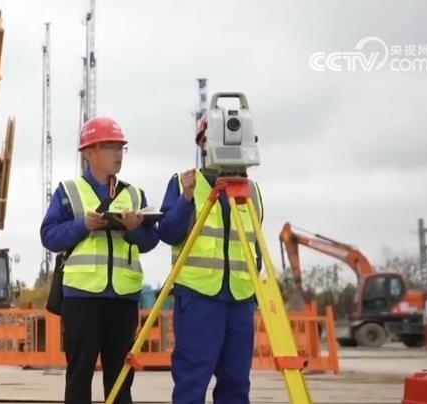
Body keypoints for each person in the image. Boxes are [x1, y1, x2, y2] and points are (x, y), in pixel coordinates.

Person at [40, 115, 160, 404]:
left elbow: (150, 241)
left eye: (121, 148)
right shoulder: (68, 192)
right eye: (110, 147)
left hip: (124, 299)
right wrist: (83, 225)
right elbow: (49, 236)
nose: (118, 154)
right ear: (89, 153)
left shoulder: (134, 194)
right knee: (79, 376)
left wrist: (133, 229)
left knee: (121, 380)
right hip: (82, 298)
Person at [157, 118, 265, 404]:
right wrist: (186, 199)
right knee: (193, 380)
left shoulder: (251, 191)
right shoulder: (183, 183)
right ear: (203, 143)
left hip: (240, 300)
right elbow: (168, 233)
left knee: (236, 383)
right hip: (199, 298)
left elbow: (254, 248)